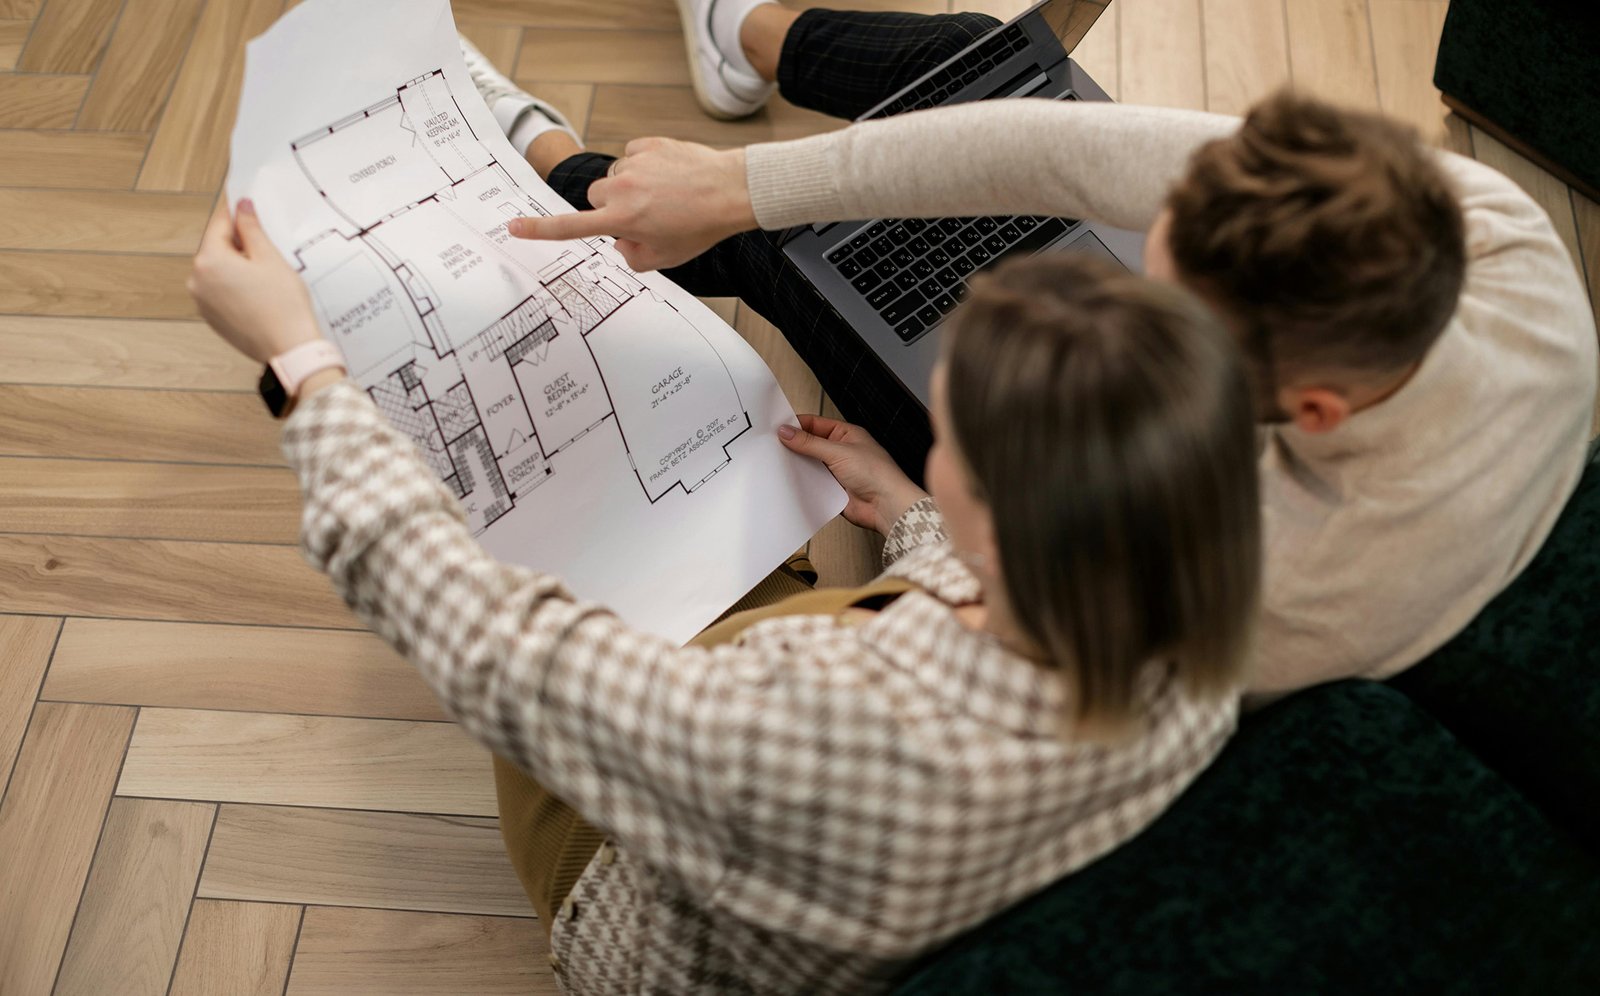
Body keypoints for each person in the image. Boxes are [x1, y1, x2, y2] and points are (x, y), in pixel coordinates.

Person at [188, 187, 1262, 991]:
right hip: (876, 866)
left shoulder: (810, 729)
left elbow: (489, 646)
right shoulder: (1201, 642)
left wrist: (300, 363)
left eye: (954, 456)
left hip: (646, 926)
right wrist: (916, 519)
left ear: (1006, 508)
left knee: (523, 560)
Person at [463, 3, 1598, 699]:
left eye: (1172, 315)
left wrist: (917, 508)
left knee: (804, 256)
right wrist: (739, 182)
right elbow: (1057, 150)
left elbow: (1003, 631)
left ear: (1303, 414)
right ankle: (739, 23)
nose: (1113, 277)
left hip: (1095, 512)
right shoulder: (1484, 228)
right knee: (979, 62)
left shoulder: (1257, 589)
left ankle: (528, 154)